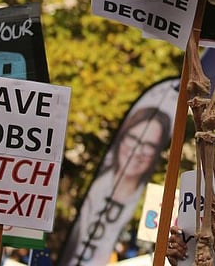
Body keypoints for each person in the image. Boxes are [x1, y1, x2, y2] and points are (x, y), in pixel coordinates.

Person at [60, 107, 172, 266]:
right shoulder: (95, 190)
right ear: (122, 139)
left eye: (149, 145)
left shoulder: (142, 200)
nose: (137, 151)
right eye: (133, 138)